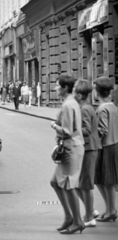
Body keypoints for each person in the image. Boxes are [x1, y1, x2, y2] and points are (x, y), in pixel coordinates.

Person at [50, 75, 85, 234]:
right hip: (70, 148)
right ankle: (69, 217)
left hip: (71, 148)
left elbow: (68, 131)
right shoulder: (70, 102)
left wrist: (54, 125)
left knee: (70, 185)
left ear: (65, 88)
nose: (55, 88)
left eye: (57, 86)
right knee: (55, 182)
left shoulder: (68, 104)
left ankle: (77, 221)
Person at [73, 79, 100, 227]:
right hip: (88, 148)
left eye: (74, 91)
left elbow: (86, 130)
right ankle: (92, 210)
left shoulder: (84, 109)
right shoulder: (86, 107)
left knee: (86, 184)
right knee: (78, 184)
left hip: (89, 149)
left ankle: (89, 217)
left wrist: (70, 129)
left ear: (79, 94)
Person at [94, 76, 118, 222]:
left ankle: (111, 210)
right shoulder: (113, 106)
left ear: (97, 92)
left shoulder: (102, 109)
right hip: (113, 145)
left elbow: (102, 130)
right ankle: (110, 209)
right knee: (103, 180)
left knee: (104, 180)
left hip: (105, 147)